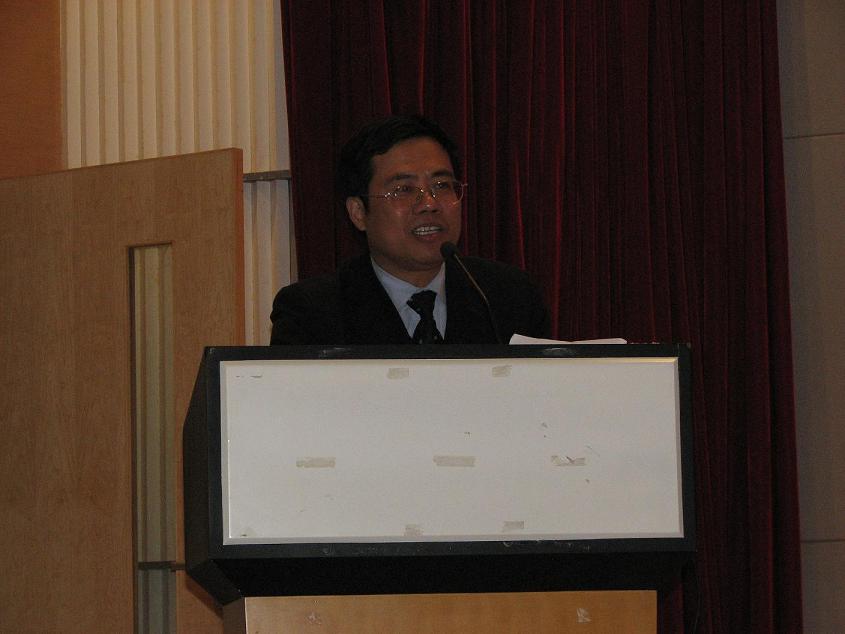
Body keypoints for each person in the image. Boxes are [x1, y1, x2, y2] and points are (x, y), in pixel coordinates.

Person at [270, 115, 550, 345]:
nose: (429, 204)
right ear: (358, 213)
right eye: (403, 189)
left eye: (441, 186)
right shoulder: (311, 313)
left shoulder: (508, 297)